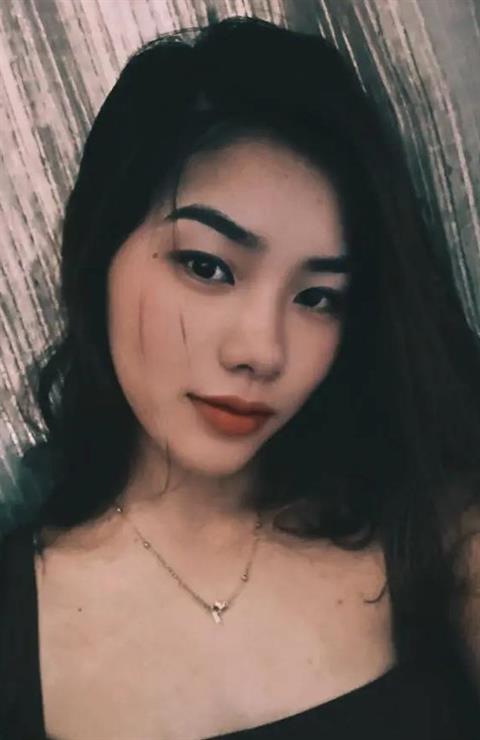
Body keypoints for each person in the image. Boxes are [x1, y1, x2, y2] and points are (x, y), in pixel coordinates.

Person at [1, 15, 480, 740]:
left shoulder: (432, 527)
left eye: (318, 297)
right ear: (99, 251)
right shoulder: (16, 622)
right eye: (207, 266)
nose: (262, 351)